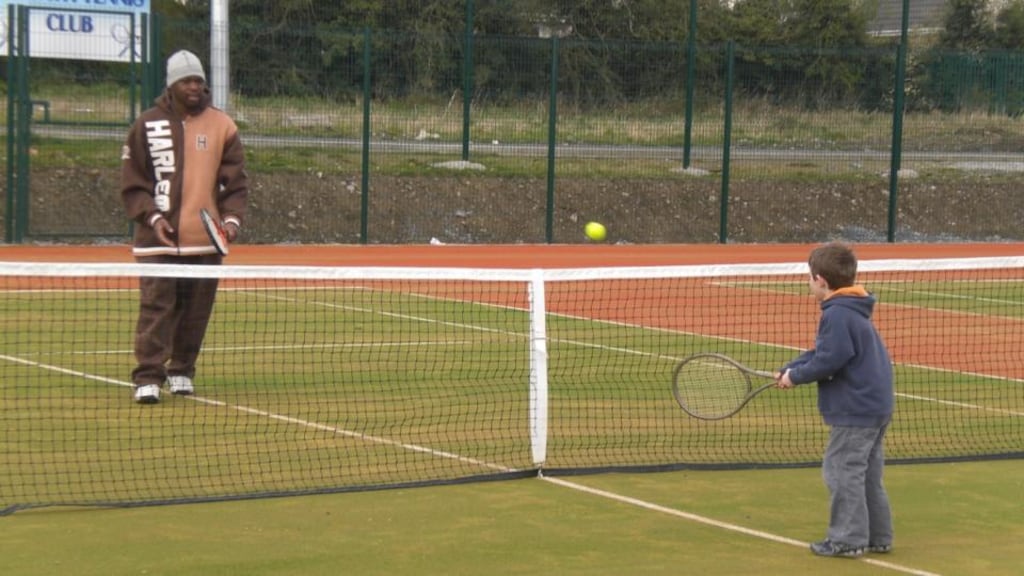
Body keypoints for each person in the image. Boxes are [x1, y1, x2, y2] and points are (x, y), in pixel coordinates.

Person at [120, 49, 249, 404]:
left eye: (198, 81)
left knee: (196, 312)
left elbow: (235, 184)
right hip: (156, 240)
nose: (194, 87)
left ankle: (181, 370)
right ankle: (148, 377)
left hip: (204, 244)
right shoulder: (146, 125)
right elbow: (133, 184)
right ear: (172, 84)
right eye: (186, 81)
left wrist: (231, 221)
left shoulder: (223, 125)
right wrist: (153, 218)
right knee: (156, 307)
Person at [775, 241, 894, 558]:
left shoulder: (838, 314)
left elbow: (831, 360)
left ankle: (847, 540)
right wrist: (793, 367)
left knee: (842, 472)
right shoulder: (852, 308)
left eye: (809, 277)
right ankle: (878, 536)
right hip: (874, 406)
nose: (809, 283)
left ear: (820, 281)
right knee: (866, 474)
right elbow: (825, 353)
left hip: (855, 409)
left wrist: (795, 377)